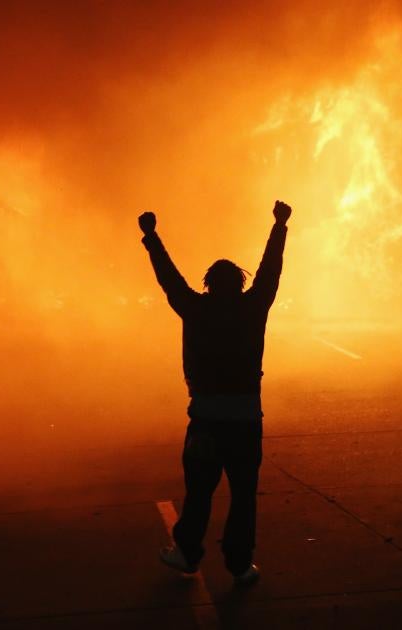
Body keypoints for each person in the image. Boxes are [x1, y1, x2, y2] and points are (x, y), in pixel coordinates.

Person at [138, 200, 291, 587]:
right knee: (243, 494)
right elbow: (270, 272)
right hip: (245, 419)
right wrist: (279, 226)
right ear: (240, 284)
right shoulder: (253, 307)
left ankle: (187, 552)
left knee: (199, 492)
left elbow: (169, 278)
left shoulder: (195, 308)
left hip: (206, 419)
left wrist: (152, 237)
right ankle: (240, 565)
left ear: (208, 284)